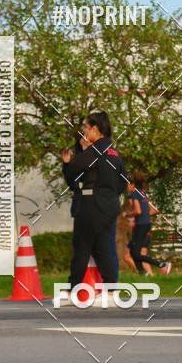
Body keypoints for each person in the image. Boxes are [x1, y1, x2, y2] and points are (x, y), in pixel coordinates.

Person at [62, 111, 127, 305]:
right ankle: (110, 292)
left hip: (91, 206)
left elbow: (74, 168)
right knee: (103, 249)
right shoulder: (115, 154)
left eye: (85, 128)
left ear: (95, 129)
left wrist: (70, 161)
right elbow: (123, 183)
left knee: (81, 248)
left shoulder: (94, 151)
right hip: (110, 206)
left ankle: (71, 291)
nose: (83, 131)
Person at [123, 170, 171, 276]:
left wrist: (127, 215)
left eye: (127, 184)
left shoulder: (135, 194)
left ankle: (162, 265)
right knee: (132, 252)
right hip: (145, 224)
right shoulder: (142, 193)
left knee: (135, 253)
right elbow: (153, 210)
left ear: (132, 184)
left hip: (141, 225)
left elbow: (138, 211)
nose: (126, 187)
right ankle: (142, 275)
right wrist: (144, 216)